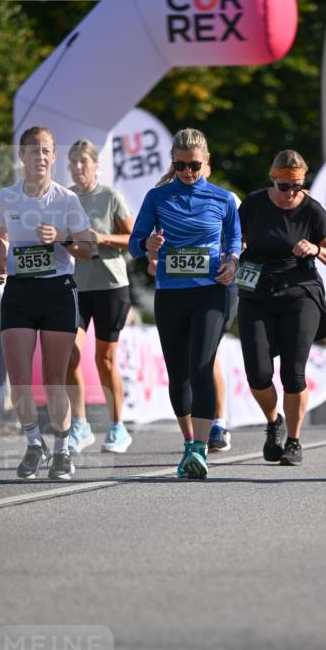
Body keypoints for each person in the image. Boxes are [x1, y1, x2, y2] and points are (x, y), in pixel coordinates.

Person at [129, 127, 240, 479]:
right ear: (172, 164)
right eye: (180, 166)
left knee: (201, 367)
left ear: (206, 163)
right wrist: (149, 246)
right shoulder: (157, 197)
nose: (188, 173)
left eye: (194, 165)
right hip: (171, 294)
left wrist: (232, 261)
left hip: (210, 292)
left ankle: (200, 449)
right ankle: (189, 440)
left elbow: (236, 238)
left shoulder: (222, 199)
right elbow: (134, 242)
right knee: (178, 375)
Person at [0, 126, 93, 479]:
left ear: (54, 156)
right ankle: (35, 443)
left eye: (46, 150)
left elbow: (88, 249)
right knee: (19, 380)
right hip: (19, 290)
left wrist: (62, 238)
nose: (40, 156)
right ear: (22, 156)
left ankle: (63, 450)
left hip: (57, 291)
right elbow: (1, 237)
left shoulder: (66, 199)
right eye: (33, 150)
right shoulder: (6, 197)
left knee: (53, 378)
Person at [237, 149, 326, 466]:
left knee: (293, 374)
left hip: (300, 294)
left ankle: (294, 441)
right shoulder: (254, 204)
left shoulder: (312, 210)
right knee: (258, 374)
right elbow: (234, 240)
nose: (291, 193)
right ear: (274, 179)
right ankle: (274, 422)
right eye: (285, 186)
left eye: (297, 185)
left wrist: (316, 248)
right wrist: (236, 249)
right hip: (256, 293)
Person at [65, 140, 134, 454]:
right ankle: (80, 425)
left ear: (95, 164)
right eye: (74, 162)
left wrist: (103, 237)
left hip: (110, 287)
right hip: (75, 286)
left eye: (84, 162)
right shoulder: (63, 198)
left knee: (104, 360)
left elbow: (135, 239)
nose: (78, 168)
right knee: (69, 355)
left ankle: (118, 427)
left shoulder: (110, 197)